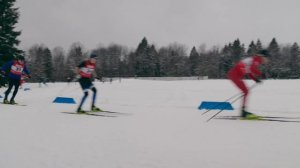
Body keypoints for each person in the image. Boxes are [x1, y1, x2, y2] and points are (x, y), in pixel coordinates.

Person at [227, 50, 269, 119]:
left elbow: (249, 72)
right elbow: (252, 69)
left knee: (246, 91)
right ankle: (243, 112)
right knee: (246, 91)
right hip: (235, 75)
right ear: (263, 56)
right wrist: (261, 74)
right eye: (267, 58)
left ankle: (243, 111)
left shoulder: (254, 59)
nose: (267, 60)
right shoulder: (257, 59)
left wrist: (255, 79)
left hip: (234, 74)